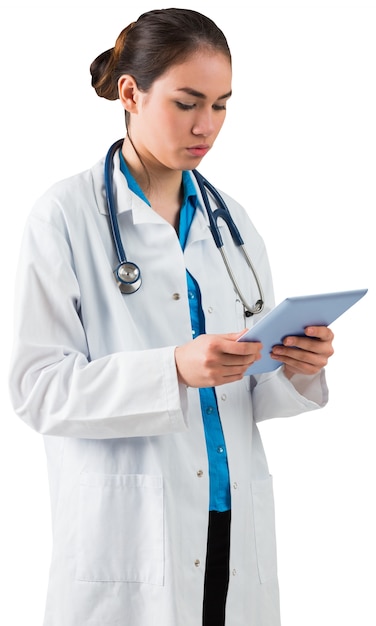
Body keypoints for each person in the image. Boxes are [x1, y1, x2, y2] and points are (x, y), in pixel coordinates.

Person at [9, 8, 334, 626]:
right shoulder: (64, 217)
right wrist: (174, 369)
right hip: (130, 538)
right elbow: (37, 391)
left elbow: (248, 392)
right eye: (187, 103)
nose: (206, 126)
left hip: (231, 529)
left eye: (221, 105)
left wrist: (295, 367)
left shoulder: (231, 225)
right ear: (130, 93)